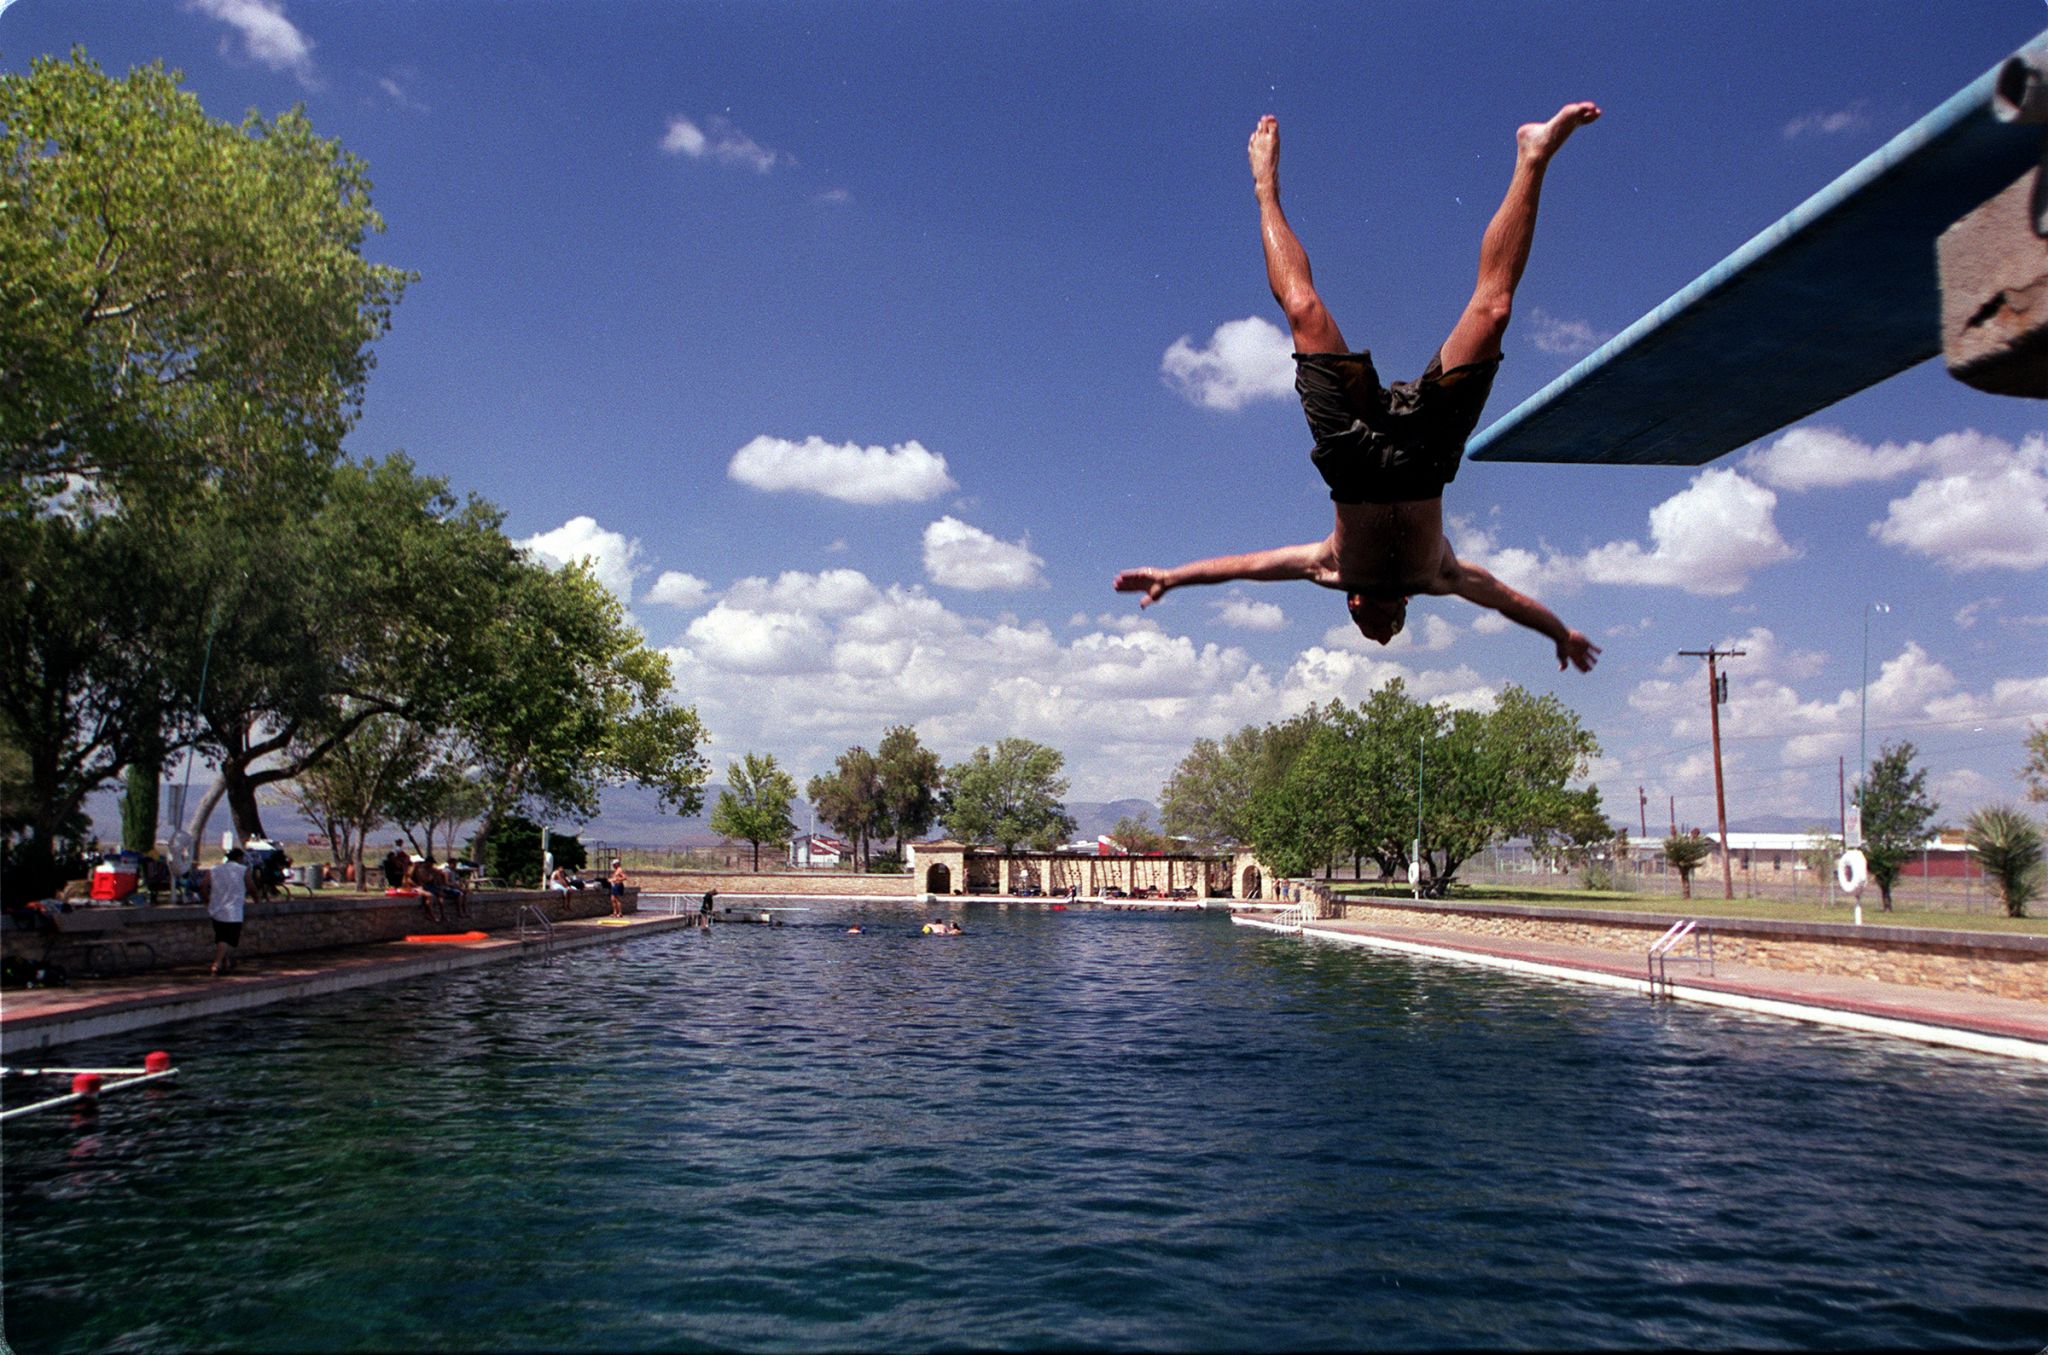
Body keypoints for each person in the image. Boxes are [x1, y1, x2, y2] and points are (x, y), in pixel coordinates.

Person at [1114, 107, 1603, 673]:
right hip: (1427, 456)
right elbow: (1507, 599)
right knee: (1493, 313)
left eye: (1373, 626)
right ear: (1402, 611)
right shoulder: (1439, 575)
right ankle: (1533, 155)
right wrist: (1559, 632)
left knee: (1302, 309)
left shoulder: (1329, 567)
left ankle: (1265, 189)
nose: (1385, 626)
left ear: (1351, 605)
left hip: (1352, 459)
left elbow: (1248, 565)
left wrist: (1173, 577)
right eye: (1393, 626)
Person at [208, 846, 248, 977]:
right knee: (226, 939)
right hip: (233, 911)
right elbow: (251, 886)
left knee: (221, 937)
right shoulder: (243, 870)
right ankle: (217, 963)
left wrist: (206, 899)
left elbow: (202, 886)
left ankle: (226, 962)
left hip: (216, 909)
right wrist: (257, 898)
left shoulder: (214, 869)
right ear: (239, 858)